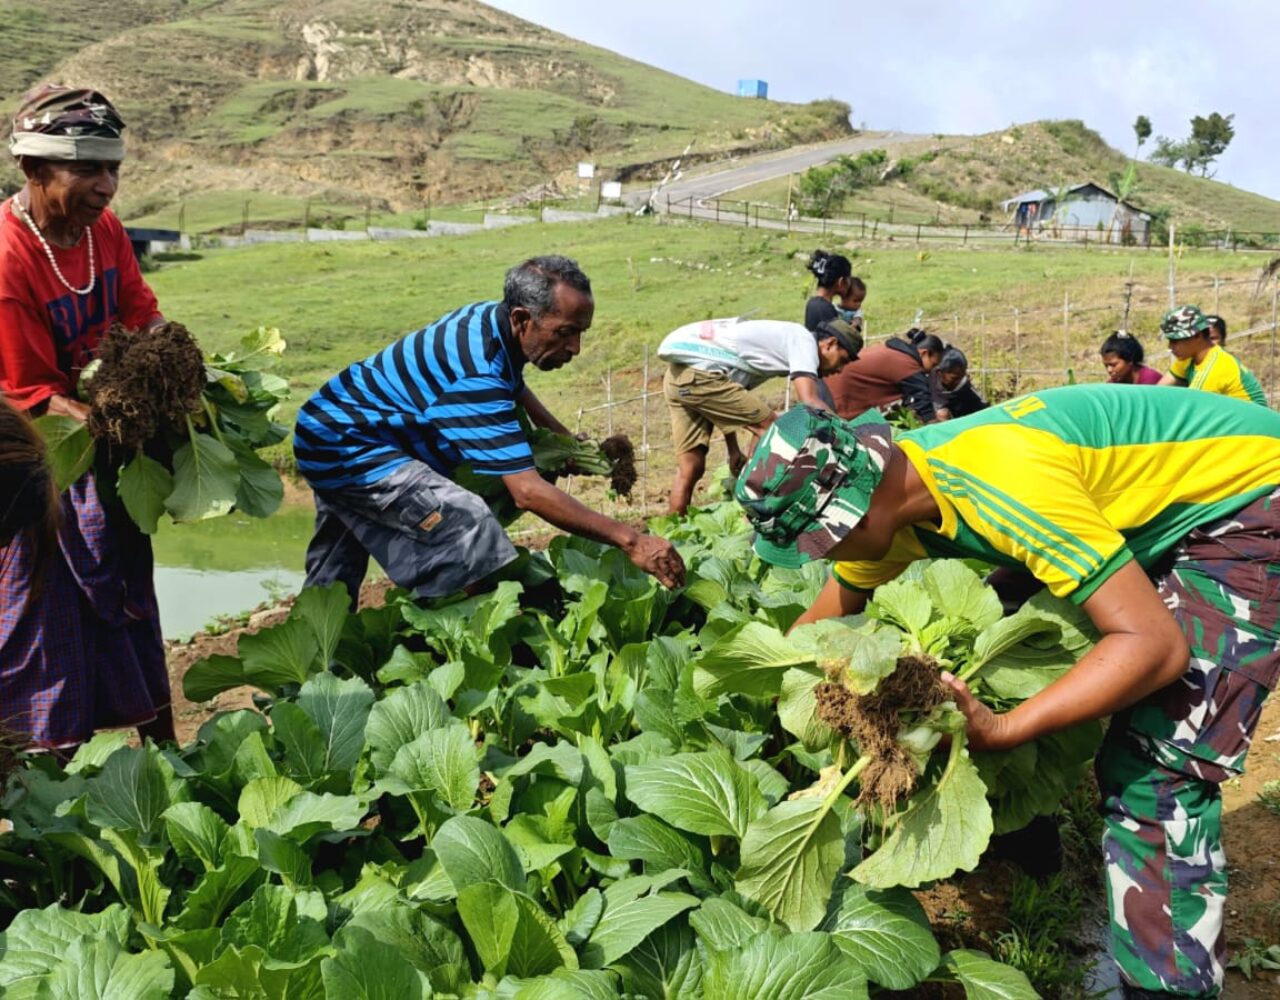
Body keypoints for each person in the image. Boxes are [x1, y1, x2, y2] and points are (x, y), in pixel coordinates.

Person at [734, 387, 1280, 998]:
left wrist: (1004, 728)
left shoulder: (1002, 484)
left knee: (1153, 771)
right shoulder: (899, 495)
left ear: (853, 516)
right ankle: (1029, 843)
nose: (823, 556)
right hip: (1154, 507)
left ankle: (1167, 987)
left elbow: (1156, 648)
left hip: (1250, 498)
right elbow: (819, 626)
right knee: (1010, 631)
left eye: (820, 543)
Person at [294, 255, 685, 605]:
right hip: (350, 444)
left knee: (334, 571)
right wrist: (632, 541)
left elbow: (513, 384)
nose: (576, 347)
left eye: (581, 332)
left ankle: (316, 653)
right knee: (467, 529)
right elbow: (527, 492)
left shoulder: (491, 321)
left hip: (331, 425)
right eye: (565, 332)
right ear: (522, 319)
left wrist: (564, 440)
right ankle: (462, 630)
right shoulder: (476, 374)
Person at [0, 85, 174, 753]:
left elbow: (140, 312)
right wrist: (116, 418)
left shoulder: (105, 232)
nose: (106, 186)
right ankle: (39, 772)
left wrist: (173, 365)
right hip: (32, 467)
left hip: (100, 449)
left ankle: (168, 754)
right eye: (87, 170)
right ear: (34, 169)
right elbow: (31, 391)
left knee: (128, 599)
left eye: (113, 169)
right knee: (40, 622)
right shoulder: (9, 256)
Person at [658, 316, 861, 514]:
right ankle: (754, 511)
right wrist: (852, 435)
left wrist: (733, 449)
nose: (839, 369)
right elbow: (809, 400)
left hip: (679, 376)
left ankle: (674, 530)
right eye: (842, 360)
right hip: (700, 377)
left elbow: (728, 401)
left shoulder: (778, 346)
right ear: (830, 344)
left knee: (690, 467)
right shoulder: (804, 341)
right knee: (774, 430)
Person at [825, 327, 944, 422]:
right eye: (933, 364)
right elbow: (923, 402)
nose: (930, 371)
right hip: (840, 396)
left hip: (831, 386)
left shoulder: (894, 352)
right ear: (924, 353)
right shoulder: (907, 363)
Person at [1157, 304, 1266, 405]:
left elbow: (1190, 408)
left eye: (1176, 341)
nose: (1170, 346)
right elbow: (1160, 390)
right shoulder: (1188, 358)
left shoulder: (1216, 366)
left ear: (1197, 336)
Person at [804, 250, 866, 332]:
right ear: (841, 282)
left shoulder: (813, 303)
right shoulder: (826, 309)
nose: (850, 284)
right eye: (849, 280)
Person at [929, 347, 987, 420]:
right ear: (939, 373)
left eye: (962, 377)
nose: (959, 382)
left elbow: (984, 411)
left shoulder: (966, 389)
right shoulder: (926, 384)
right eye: (954, 378)